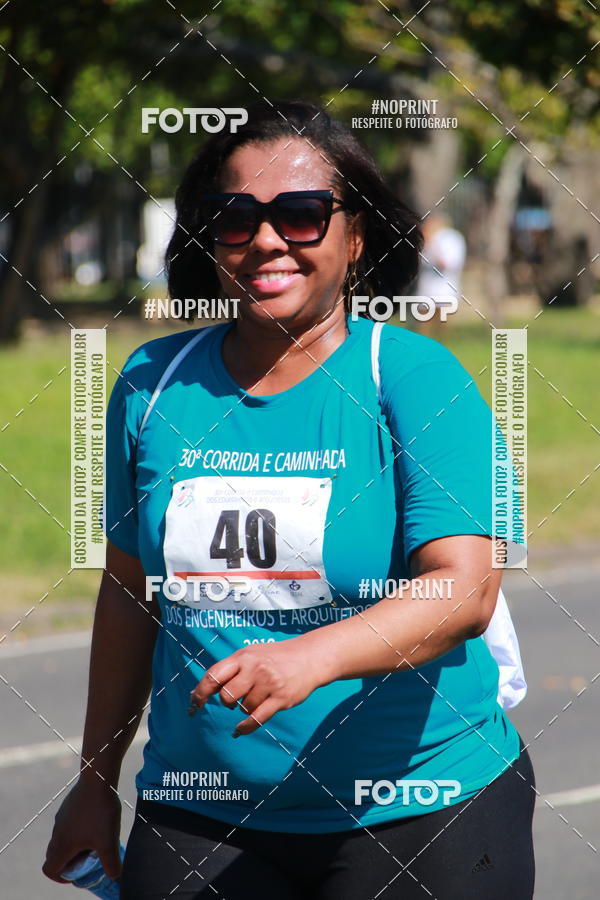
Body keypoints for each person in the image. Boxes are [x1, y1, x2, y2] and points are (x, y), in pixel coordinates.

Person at [43, 99, 535, 899]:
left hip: (421, 807)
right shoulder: (148, 385)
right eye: (235, 216)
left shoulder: (413, 378)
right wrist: (95, 782)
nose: (267, 239)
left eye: (303, 214)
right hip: (204, 811)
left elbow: (464, 589)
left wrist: (310, 658)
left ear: (357, 237)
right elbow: (130, 594)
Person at [416, 212, 466, 335]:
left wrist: (431, 244)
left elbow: (447, 264)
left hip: (445, 294)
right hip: (426, 294)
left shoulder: (451, 239)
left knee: (444, 335)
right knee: (424, 335)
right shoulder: (424, 239)